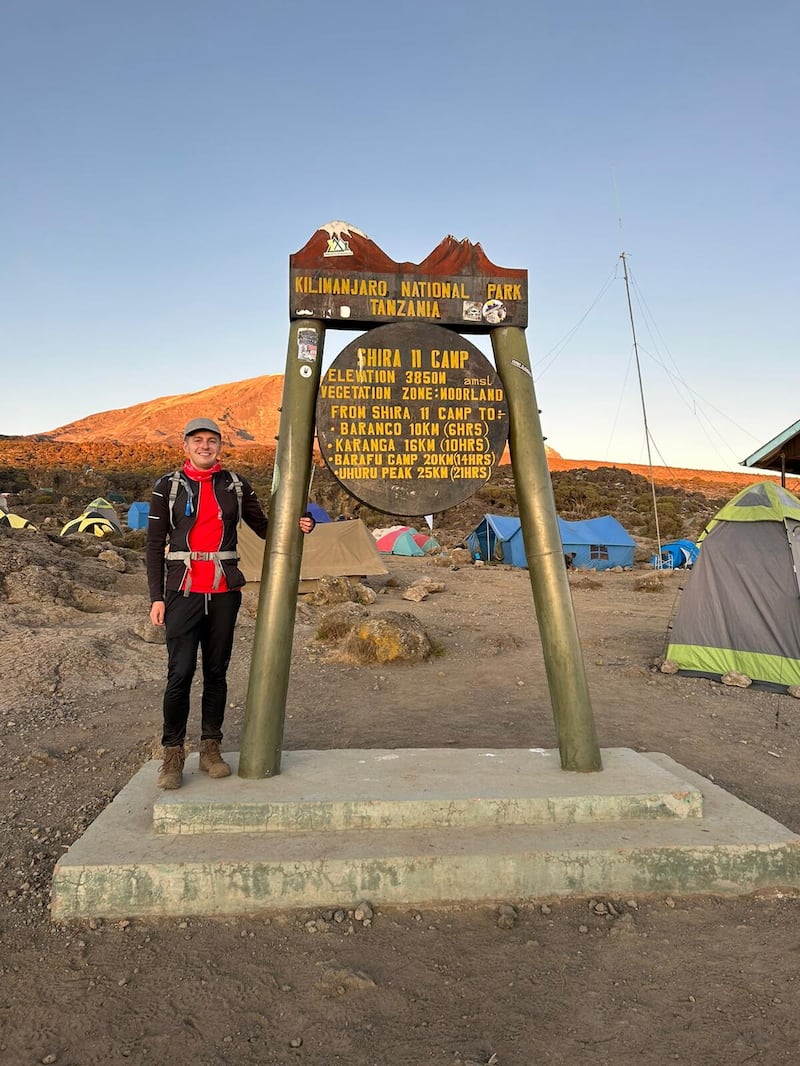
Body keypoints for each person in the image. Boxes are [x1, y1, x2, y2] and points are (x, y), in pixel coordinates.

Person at [146, 417, 315, 789]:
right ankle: (172, 756)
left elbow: (266, 528)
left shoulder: (235, 486)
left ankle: (210, 749)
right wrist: (156, 597)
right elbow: (155, 545)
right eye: (197, 440)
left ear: (220, 445)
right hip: (182, 591)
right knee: (180, 672)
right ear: (185, 445)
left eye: (211, 440)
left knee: (217, 672)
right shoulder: (167, 487)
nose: (205, 446)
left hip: (224, 591)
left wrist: (300, 523)